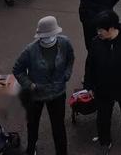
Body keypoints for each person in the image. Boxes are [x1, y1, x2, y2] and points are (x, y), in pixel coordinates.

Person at [13, 16, 75, 155]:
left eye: (50, 35)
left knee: (58, 126)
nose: (48, 38)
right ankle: (31, 149)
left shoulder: (65, 43)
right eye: (44, 36)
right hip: (36, 95)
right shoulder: (30, 50)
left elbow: (70, 58)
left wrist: (67, 73)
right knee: (33, 125)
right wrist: (30, 85)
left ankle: (62, 152)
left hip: (57, 93)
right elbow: (17, 70)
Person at [85, 10, 121, 155]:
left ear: (111, 28)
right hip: (103, 87)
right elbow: (90, 64)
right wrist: (89, 85)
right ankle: (105, 141)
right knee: (103, 117)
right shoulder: (96, 42)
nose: (98, 32)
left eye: (100, 30)